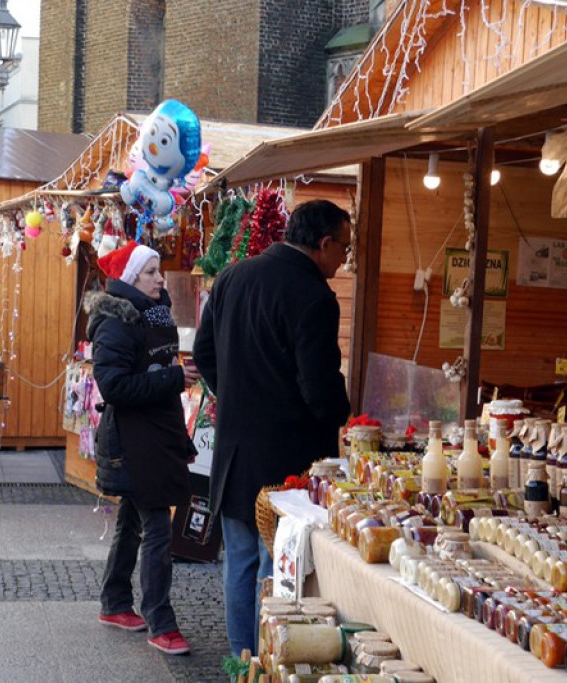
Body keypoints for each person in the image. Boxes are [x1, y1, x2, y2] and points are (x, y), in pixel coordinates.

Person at [193, 199, 353, 656]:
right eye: (344, 248)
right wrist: (341, 411)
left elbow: (204, 355)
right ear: (323, 244)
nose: (344, 261)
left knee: (240, 563)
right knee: (276, 566)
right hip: (287, 462)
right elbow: (320, 390)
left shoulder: (232, 276)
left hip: (234, 453)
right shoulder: (315, 297)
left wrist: (239, 397)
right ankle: (269, 663)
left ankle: (243, 661)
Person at [86, 240, 200, 656]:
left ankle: (115, 603)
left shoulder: (154, 314)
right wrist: (172, 379)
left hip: (155, 434)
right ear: (132, 277)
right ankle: (161, 622)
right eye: (151, 272)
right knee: (155, 526)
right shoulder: (116, 322)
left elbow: (150, 372)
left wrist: (175, 376)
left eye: (158, 270)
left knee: (133, 521)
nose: (159, 278)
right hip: (132, 441)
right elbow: (113, 386)